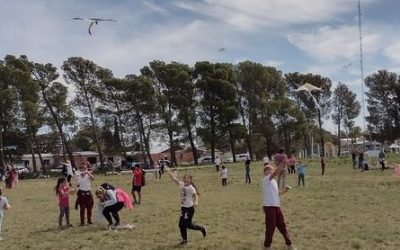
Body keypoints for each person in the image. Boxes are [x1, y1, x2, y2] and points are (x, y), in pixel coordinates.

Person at [165, 166, 207, 245]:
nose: (185, 180)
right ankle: (184, 240)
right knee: (181, 225)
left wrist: (196, 202)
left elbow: (196, 196)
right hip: (183, 208)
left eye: (188, 179)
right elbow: (173, 178)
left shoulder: (191, 188)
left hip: (189, 209)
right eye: (184, 178)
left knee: (188, 224)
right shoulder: (181, 184)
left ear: (190, 180)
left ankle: (202, 228)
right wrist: (168, 171)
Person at [262, 163, 297, 250]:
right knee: (271, 226)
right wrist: (282, 163)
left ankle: (289, 245)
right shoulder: (266, 179)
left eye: (272, 170)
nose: (272, 171)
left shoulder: (274, 182)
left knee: (282, 225)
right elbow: (275, 172)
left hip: (276, 206)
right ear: (266, 172)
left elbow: (277, 194)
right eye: (270, 170)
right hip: (269, 206)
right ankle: (266, 247)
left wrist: (285, 190)